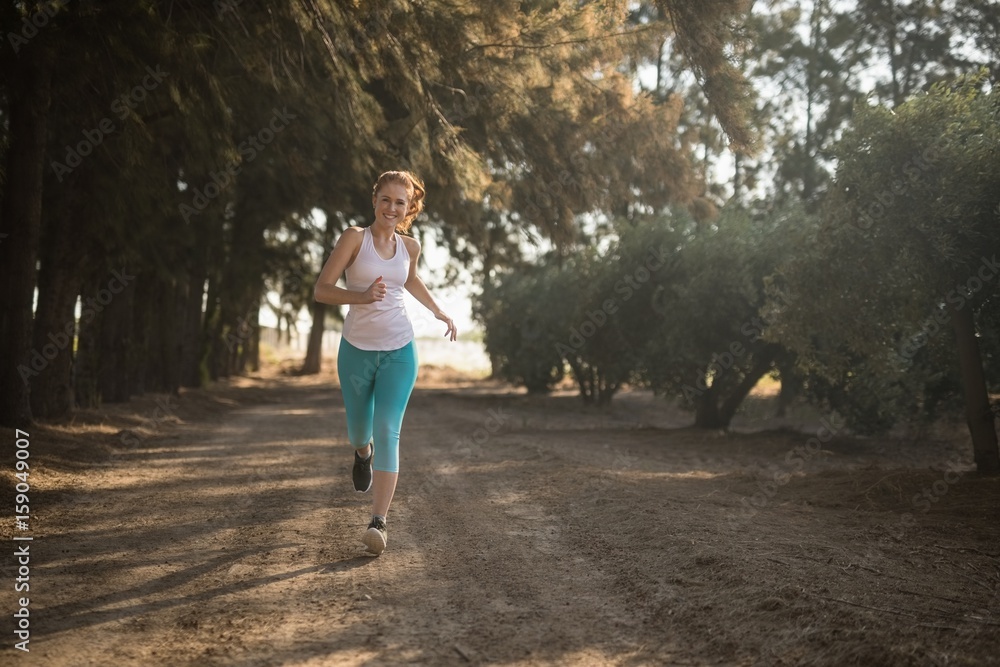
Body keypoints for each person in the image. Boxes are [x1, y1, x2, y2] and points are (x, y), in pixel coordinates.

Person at [314, 170, 456, 556]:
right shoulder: (354, 239)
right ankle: (363, 453)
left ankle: (379, 522)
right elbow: (322, 289)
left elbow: (409, 281)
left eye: (401, 203)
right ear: (374, 199)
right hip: (356, 351)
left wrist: (440, 311)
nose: (392, 208)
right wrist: (361, 297)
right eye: (386, 199)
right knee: (360, 432)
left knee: (388, 427)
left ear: (410, 208)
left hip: (399, 350)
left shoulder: (410, 247)